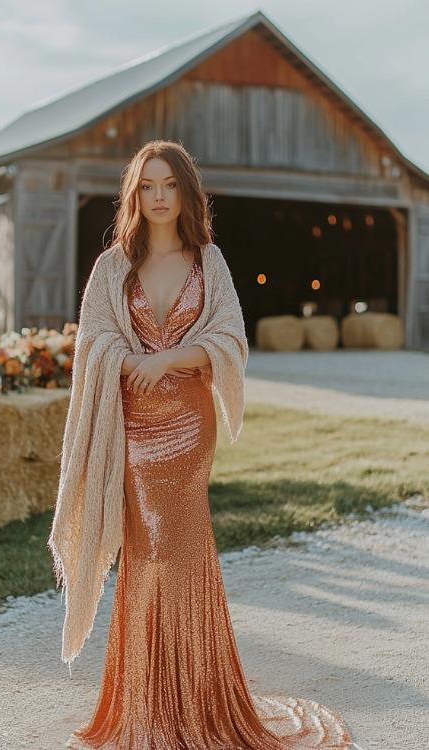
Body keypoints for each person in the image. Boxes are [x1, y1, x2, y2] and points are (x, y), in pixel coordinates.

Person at [48, 140, 362, 750]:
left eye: (169, 185)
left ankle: (198, 696)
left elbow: (229, 338)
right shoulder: (113, 267)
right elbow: (92, 342)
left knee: (184, 545)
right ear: (134, 195)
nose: (158, 196)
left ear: (186, 193)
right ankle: (147, 699)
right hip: (133, 428)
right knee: (149, 550)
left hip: (190, 426)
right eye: (147, 186)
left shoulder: (208, 261)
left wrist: (167, 355)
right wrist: (124, 357)